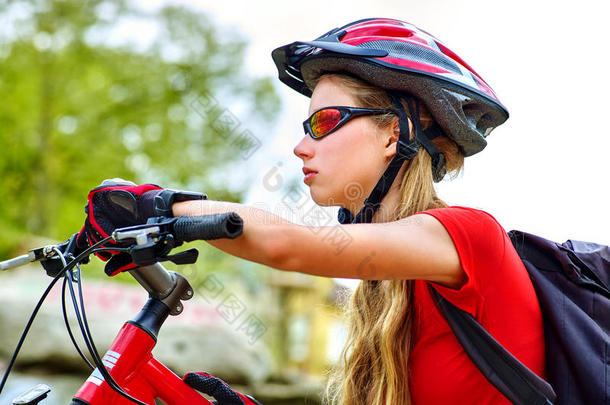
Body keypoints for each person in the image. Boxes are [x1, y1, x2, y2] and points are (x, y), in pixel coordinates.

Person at [78, 18, 547, 405]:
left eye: (324, 122)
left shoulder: (469, 235)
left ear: (392, 133)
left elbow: (290, 245)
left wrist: (158, 205)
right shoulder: (383, 291)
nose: (301, 147)